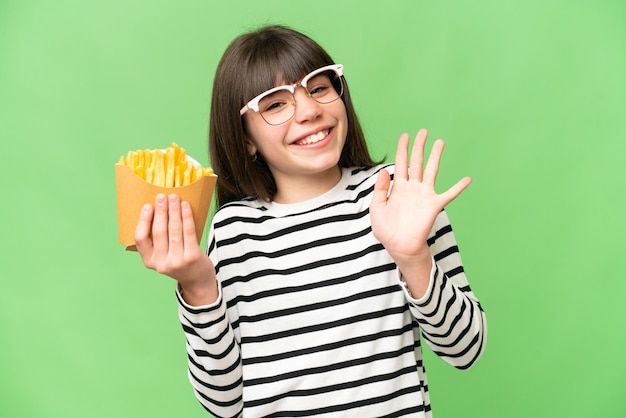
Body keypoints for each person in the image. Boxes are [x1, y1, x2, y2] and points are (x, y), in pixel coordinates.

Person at [134, 24, 487, 418]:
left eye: (318, 87)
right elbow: (223, 404)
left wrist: (413, 257)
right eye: (274, 104)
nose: (309, 110)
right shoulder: (234, 232)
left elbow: (465, 348)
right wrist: (197, 286)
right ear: (246, 138)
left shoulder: (396, 196)